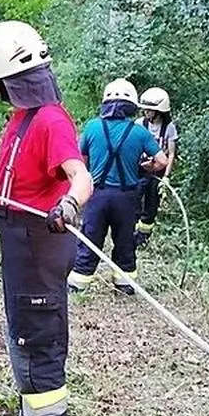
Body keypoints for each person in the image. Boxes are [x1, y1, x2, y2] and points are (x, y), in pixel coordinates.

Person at [0, 20, 93, 416]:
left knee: (38, 336)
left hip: (39, 246)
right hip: (20, 246)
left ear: (11, 79)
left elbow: (81, 177)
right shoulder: (22, 120)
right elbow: (18, 182)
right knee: (23, 334)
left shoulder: (52, 120)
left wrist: (70, 205)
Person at [66, 79, 167, 294]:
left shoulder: (93, 127)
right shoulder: (140, 132)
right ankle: (124, 284)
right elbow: (162, 161)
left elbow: (78, 160)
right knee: (124, 241)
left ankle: (78, 283)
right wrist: (144, 168)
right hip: (127, 197)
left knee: (90, 237)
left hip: (97, 195)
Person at [134, 87, 178, 247]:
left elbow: (171, 154)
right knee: (134, 200)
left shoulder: (169, 128)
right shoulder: (139, 124)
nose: (146, 112)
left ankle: (143, 238)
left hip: (157, 171)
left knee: (151, 204)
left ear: (159, 111)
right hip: (139, 169)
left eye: (150, 110)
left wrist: (166, 177)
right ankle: (130, 233)